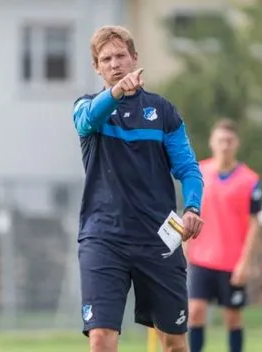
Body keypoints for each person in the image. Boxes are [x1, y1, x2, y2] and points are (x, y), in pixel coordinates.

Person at [72, 25, 204, 352]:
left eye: (120, 56)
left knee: (173, 342)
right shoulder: (88, 108)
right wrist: (116, 94)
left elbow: (188, 169)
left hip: (159, 238)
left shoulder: (162, 112)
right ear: (96, 66)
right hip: (103, 237)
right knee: (101, 338)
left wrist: (192, 207)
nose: (115, 64)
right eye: (106, 59)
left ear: (134, 59)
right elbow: (86, 121)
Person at [185, 119, 262, 352]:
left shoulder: (249, 180)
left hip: (232, 262)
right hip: (201, 259)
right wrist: (184, 250)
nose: (224, 145)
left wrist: (245, 262)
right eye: (220, 140)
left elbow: (255, 223)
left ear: (236, 144)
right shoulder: (199, 172)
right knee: (195, 311)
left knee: (233, 318)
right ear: (212, 142)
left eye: (229, 141)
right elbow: (189, 213)